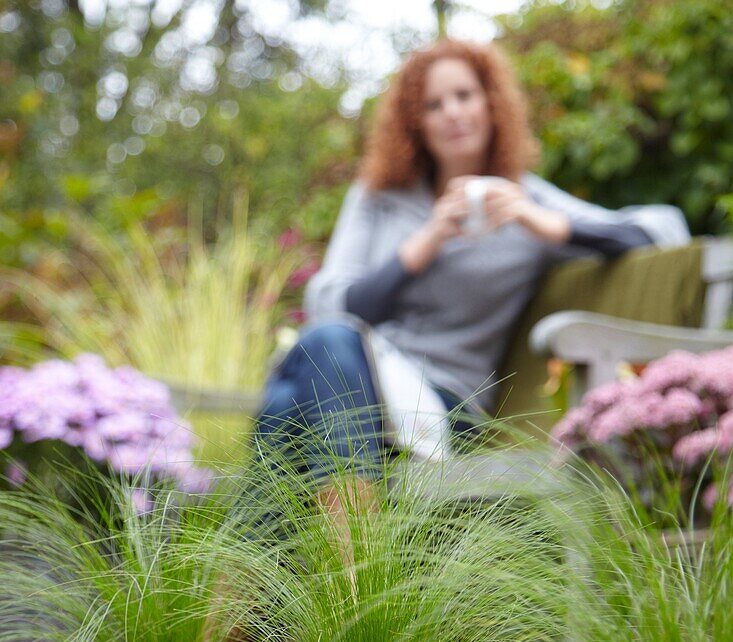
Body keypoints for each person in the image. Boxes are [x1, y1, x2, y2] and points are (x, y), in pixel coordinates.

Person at [254, 36, 689, 498]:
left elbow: (660, 229)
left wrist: (539, 220)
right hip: (353, 380)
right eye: (434, 105)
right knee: (313, 367)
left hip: (444, 409)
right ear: (415, 123)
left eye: (464, 96)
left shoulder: (523, 197)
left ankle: (281, 564)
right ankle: (352, 561)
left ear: (490, 103)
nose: (453, 113)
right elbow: (334, 304)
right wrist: (429, 239)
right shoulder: (377, 198)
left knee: (293, 391)